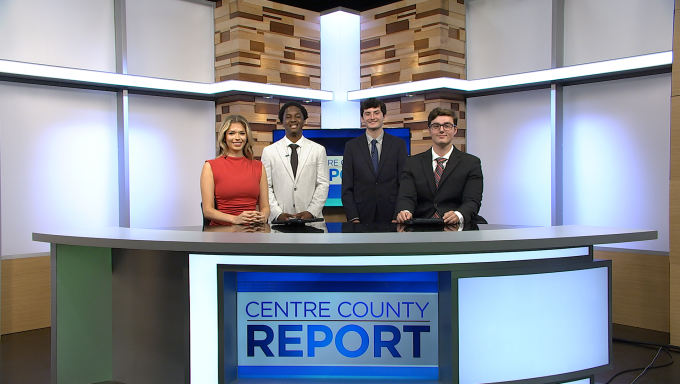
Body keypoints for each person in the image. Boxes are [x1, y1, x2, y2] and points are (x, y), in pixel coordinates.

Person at [395, 107, 484, 226]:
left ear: (455, 130)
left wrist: (459, 214)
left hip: (456, 227)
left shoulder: (471, 163)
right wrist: (405, 211)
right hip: (421, 225)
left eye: (447, 126)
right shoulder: (413, 163)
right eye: (436, 126)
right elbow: (406, 196)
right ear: (430, 130)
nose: (441, 130)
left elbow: (472, 200)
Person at [341, 98, 408, 223]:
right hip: (361, 215)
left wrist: (398, 214)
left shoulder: (399, 145)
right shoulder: (351, 147)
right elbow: (347, 187)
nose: (372, 117)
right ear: (362, 118)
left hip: (392, 215)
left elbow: (404, 184)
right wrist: (353, 217)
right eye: (367, 113)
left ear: (384, 116)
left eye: (376, 113)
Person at [261, 101, 329, 222]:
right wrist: (277, 213)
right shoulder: (269, 152)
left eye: (297, 116)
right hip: (279, 222)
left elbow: (323, 184)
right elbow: (266, 187)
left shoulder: (318, 150)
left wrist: (311, 212)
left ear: (304, 121)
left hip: (311, 221)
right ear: (282, 122)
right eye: (288, 117)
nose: (293, 120)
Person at [200, 115, 269, 225]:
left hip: (252, 231)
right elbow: (207, 211)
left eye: (242, 133)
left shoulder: (258, 166)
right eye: (232, 133)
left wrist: (263, 217)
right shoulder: (210, 166)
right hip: (222, 232)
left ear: (247, 136)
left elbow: (265, 207)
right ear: (224, 137)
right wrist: (235, 219)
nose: (237, 138)